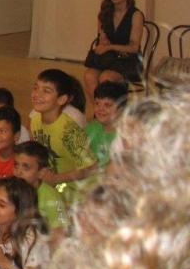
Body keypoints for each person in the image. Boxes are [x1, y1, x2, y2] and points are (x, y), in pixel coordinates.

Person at [49, 89, 190, 269]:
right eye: (125, 131)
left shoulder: (165, 179)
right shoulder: (117, 162)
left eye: (134, 131)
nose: (126, 138)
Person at [30, 70, 97, 204]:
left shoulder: (69, 130)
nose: (37, 94)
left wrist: (56, 179)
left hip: (79, 196)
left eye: (46, 91)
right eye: (36, 88)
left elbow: (91, 168)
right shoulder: (35, 121)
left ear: (62, 99)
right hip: (55, 192)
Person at [83, 0, 144, 97]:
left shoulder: (136, 15)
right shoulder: (104, 14)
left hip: (128, 60)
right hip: (109, 59)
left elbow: (134, 47)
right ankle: (99, 108)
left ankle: (112, 107)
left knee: (106, 77)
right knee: (89, 76)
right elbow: (102, 41)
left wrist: (110, 47)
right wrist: (104, 43)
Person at [13, 142, 69, 248]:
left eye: (26, 167)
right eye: (16, 165)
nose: (18, 172)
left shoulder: (52, 198)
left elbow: (61, 234)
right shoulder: (10, 189)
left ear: (41, 172)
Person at [84, 81, 128, 170]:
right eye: (97, 103)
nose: (100, 109)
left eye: (107, 105)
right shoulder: (90, 129)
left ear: (121, 108)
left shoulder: (125, 136)